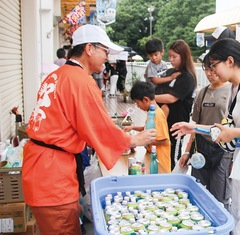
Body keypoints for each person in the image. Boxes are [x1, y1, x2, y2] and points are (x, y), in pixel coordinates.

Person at [22, 24, 156, 235]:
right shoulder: (80, 81)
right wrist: (132, 140)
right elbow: (98, 126)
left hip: (42, 167)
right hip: (53, 175)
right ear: (89, 49)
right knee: (63, 228)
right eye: (105, 50)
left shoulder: (57, 75)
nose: (107, 57)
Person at [170, 38, 240, 234]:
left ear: (229, 61)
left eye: (214, 65)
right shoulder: (235, 88)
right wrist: (194, 128)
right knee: (239, 214)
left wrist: (234, 133)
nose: (212, 71)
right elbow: (224, 130)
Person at [179, 54, 232, 208]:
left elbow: (235, 126)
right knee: (199, 196)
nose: (209, 73)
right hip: (201, 150)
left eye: (212, 68)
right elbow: (195, 125)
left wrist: (233, 158)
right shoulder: (202, 93)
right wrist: (187, 152)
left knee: (220, 199)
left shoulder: (231, 91)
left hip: (223, 151)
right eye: (206, 69)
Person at [155, 39, 197, 170]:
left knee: (173, 157)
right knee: (161, 155)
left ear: (183, 56)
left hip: (177, 126)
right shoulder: (169, 73)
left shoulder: (188, 78)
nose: (171, 59)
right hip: (163, 121)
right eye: (170, 56)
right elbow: (159, 90)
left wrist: (150, 98)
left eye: (175, 56)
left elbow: (171, 98)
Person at [123, 81, 171, 173]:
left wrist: (141, 141)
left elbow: (164, 139)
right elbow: (147, 129)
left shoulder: (158, 115)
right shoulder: (151, 113)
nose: (138, 106)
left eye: (137, 103)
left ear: (145, 99)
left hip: (160, 162)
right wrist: (133, 128)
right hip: (153, 157)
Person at [144, 38, 181, 117]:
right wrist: (171, 78)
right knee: (160, 111)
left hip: (161, 91)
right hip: (153, 92)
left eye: (156, 55)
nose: (154, 58)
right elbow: (155, 80)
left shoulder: (164, 64)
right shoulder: (151, 65)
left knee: (165, 110)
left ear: (162, 52)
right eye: (151, 56)